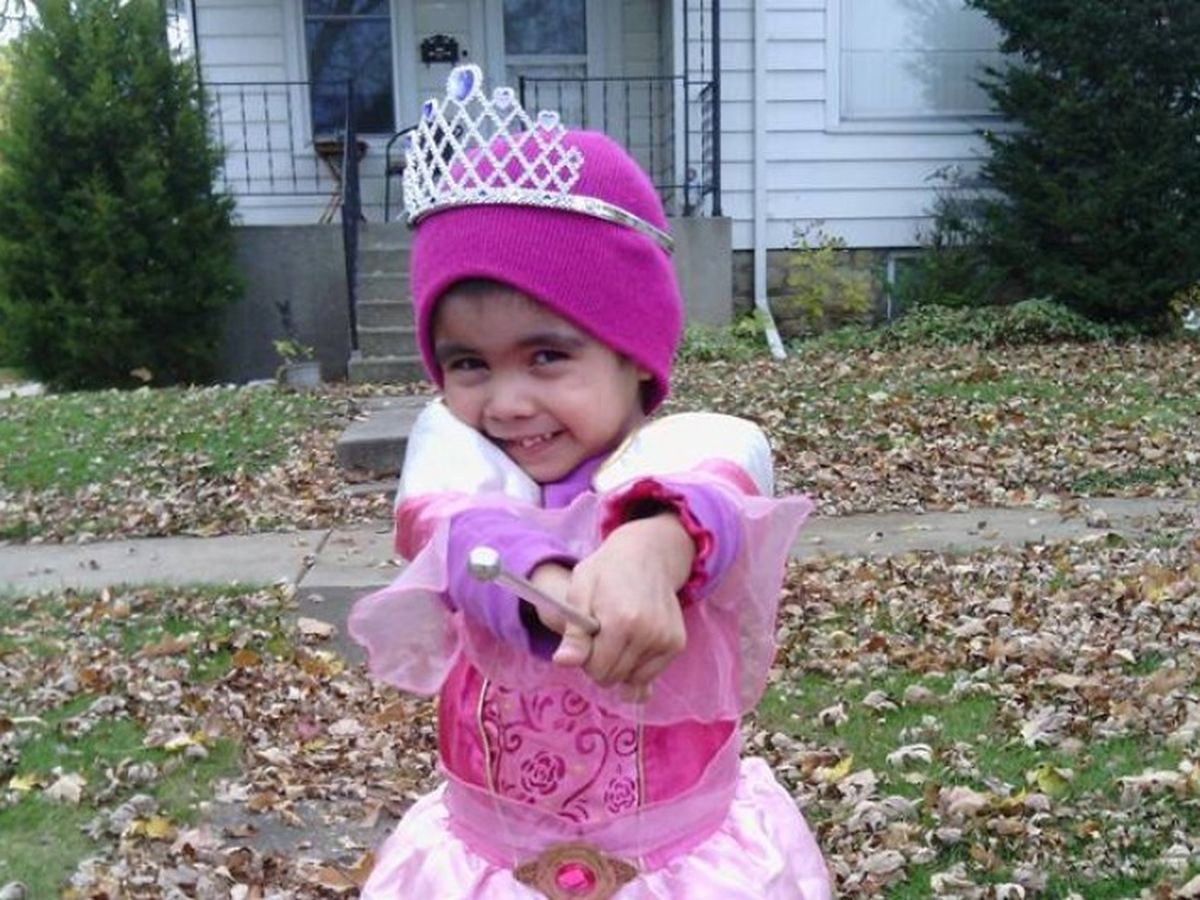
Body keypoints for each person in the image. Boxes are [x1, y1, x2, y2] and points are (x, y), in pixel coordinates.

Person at [348, 64, 832, 900]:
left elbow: (707, 502)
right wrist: (540, 580)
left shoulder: (689, 453)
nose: (506, 402)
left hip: (679, 866)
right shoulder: (459, 464)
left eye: (546, 356)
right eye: (468, 364)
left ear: (633, 354)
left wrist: (649, 550)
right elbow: (462, 533)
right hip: (490, 865)